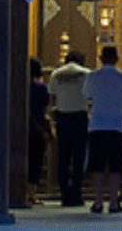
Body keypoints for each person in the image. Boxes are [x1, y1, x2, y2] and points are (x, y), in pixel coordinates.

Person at [81, 45, 122, 214]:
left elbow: (86, 94)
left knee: (97, 165)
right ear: (117, 59)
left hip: (97, 124)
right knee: (115, 166)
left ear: (101, 58)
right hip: (116, 125)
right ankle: (113, 202)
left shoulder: (93, 76)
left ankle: (97, 201)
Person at [47, 50, 90, 206]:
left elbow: (52, 95)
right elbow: (90, 95)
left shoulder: (56, 74)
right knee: (79, 157)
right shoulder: (86, 73)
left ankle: (65, 194)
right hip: (79, 116)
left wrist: (52, 116)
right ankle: (76, 193)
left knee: (63, 157)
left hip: (62, 116)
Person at [27, 57, 51, 206]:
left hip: (18, 127)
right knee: (35, 162)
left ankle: (17, 191)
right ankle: (31, 193)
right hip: (36, 128)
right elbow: (44, 107)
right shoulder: (41, 88)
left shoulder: (15, 86)